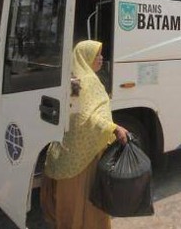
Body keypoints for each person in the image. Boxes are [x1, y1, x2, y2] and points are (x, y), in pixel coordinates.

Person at [41, 40, 129, 229]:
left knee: (71, 202)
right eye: (97, 55)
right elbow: (83, 117)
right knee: (86, 203)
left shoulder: (74, 79)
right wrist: (114, 128)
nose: (101, 58)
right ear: (85, 57)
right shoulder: (83, 81)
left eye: (100, 54)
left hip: (70, 151)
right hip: (84, 157)